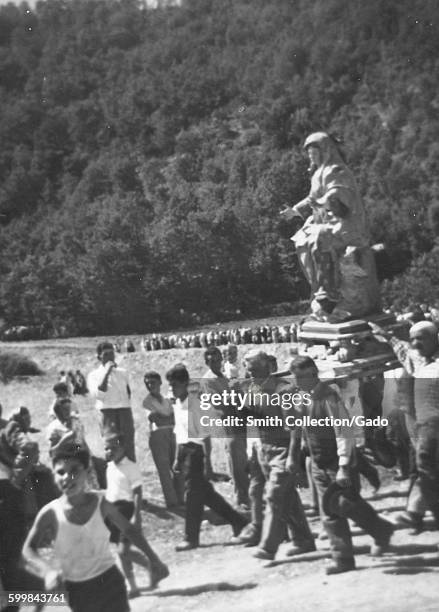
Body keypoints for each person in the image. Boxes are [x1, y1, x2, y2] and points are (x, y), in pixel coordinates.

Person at [22, 439, 169, 612]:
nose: (67, 477)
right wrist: (47, 572)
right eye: (60, 472)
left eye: (74, 470)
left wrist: (154, 558)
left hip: (110, 582)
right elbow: (27, 550)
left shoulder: (101, 503)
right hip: (78, 590)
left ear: (86, 471)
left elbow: (129, 530)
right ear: (54, 475)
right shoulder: (51, 513)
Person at [289, 356, 394, 574]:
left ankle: (381, 529)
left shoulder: (329, 397)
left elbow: (343, 432)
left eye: (302, 377)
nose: (298, 382)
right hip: (317, 461)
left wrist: (344, 465)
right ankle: (343, 559)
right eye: (296, 377)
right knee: (329, 511)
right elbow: (300, 430)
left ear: (314, 374)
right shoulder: (301, 398)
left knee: (347, 504)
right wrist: (297, 457)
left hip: (337, 461)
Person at [280, 131, 379, 319]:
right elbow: (311, 198)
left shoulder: (336, 170)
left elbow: (338, 194)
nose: (311, 157)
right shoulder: (317, 174)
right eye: (309, 154)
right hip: (325, 221)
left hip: (346, 225)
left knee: (320, 237)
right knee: (301, 239)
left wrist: (324, 201)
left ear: (325, 151)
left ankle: (329, 292)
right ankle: (317, 287)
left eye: (315, 152)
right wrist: (294, 211)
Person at [237, 350, 314, 561]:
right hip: (264, 448)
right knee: (287, 496)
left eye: (254, 369)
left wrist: (292, 456)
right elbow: (250, 415)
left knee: (274, 494)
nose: (250, 373)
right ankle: (303, 540)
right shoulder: (253, 389)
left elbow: (295, 427)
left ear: (268, 367)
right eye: (248, 370)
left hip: (283, 448)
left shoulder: (284, 390)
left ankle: (268, 546)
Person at [166, 364, 248, 551]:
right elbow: (180, 432)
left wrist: (203, 460)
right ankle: (239, 521)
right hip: (185, 451)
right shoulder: (178, 403)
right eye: (170, 385)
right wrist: (178, 458)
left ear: (185, 383)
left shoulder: (196, 404)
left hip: (195, 452)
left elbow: (204, 434)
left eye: (176, 385)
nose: (172, 389)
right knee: (206, 495)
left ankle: (191, 537)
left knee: (192, 496)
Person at [370, 320, 439, 532]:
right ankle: (415, 513)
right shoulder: (417, 359)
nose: (416, 343)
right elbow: (401, 348)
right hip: (424, 425)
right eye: (413, 339)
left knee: (425, 466)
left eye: (422, 338)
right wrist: (381, 333)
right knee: (424, 468)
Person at [104, 433, 157, 597]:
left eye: (113, 448)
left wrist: (136, 514)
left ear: (122, 448)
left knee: (122, 551)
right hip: (113, 512)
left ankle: (142, 576)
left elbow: (137, 493)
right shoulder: (110, 466)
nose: (109, 451)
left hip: (126, 510)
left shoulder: (131, 467)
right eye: (106, 448)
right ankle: (140, 577)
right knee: (122, 552)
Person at [201, 346, 249, 508]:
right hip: (227, 421)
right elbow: (218, 401)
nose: (214, 363)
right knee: (235, 459)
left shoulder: (224, 376)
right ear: (206, 362)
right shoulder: (208, 379)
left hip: (238, 419)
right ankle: (241, 498)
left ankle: (246, 494)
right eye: (211, 361)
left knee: (242, 458)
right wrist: (234, 394)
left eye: (217, 359)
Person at [0, 413, 39, 608]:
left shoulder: (8, 428)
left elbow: (29, 448)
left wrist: (15, 478)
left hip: (5, 496)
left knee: (10, 558)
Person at [87, 342, 136, 461]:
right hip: (107, 412)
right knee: (112, 446)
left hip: (124, 411)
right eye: (106, 354)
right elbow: (98, 394)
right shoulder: (94, 375)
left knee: (128, 444)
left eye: (112, 354)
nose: (110, 357)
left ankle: (131, 473)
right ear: (99, 357)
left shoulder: (123, 372)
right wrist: (107, 372)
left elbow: (129, 392)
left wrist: (125, 408)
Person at [142, 371, 184, 509]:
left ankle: (180, 498)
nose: (150, 386)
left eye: (153, 382)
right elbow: (156, 420)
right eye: (147, 383)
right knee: (164, 470)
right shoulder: (147, 401)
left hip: (172, 433)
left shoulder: (167, 399)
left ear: (160, 383)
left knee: (177, 467)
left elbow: (175, 417)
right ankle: (172, 502)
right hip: (158, 436)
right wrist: (170, 417)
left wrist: (169, 417)